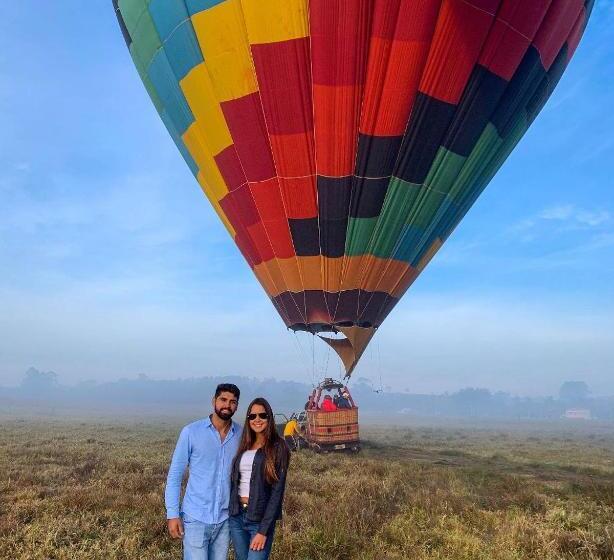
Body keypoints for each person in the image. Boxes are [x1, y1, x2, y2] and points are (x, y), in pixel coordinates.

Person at [165, 383, 242, 560]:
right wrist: (172, 514)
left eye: (232, 402)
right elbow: (175, 475)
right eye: (223, 399)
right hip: (196, 518)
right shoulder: (191, 432)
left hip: (225, 520)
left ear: (237, 406)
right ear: (214, 401)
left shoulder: (241, 434)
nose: (227, 405)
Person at [229, 398, 290, 560]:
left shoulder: (279, 447)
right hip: (237, 516)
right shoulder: (245, 444)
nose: (257, 419)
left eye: (262, 415)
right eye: (252, 416)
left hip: (259, 519)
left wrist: (263, 530)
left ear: (269, 417)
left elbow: (277, 493)